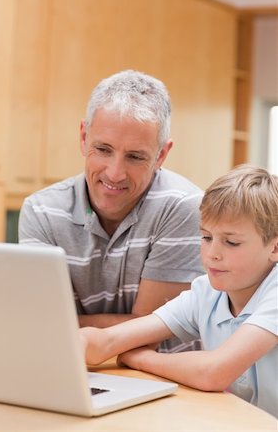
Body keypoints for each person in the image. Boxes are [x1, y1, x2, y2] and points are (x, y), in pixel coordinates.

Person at [18, 69, 204, 352]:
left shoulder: (183, 207)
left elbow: (151, 331)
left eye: (135, 157)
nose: (115, 174)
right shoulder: (42, 210)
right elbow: (41, 321)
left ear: (161, 155)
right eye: (103, 149)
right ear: (83, 137)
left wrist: (65, 324)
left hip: (165, 378)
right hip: (77, 369)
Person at [80, 164, 278, 417]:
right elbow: (107, 341)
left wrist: (139, 359)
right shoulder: (206, 292)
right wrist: (81, 342)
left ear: (274, 248)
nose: (212, 254)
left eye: (231, 242)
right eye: (206, 237)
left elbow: (213, 372)